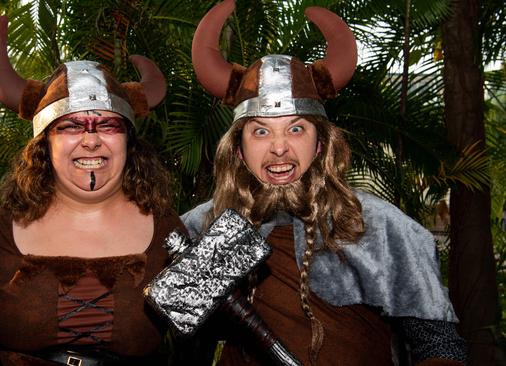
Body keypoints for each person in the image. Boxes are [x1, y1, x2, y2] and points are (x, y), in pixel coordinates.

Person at [182, 1, 467, 365]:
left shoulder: (383, 228)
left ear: (320, 145)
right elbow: (184, 346)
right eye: (261, 131)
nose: (280, 147)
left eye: (296, 128)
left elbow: (438, 346)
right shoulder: (201, 227)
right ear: (238, 149)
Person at [0, 16, 185, 365]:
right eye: (72, 125)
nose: (90, 140)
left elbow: (198, 340)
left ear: (129, 141)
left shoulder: (166, 231)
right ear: (45, 143)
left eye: (107, 124)